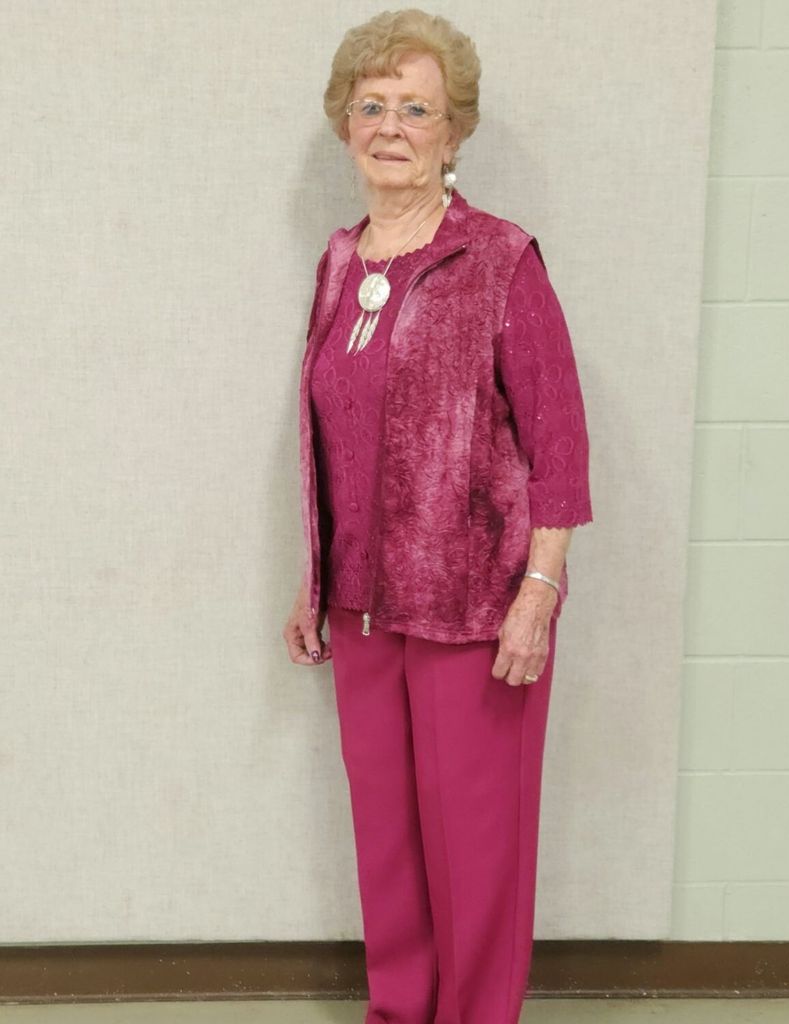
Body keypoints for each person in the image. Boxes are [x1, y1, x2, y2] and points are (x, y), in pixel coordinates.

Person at [282, 9, 593, 1023]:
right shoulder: (341, 262)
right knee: (387, 836)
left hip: (477, 607)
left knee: (474, 840)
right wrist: (315, 579)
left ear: (454, 132)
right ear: (345, 123)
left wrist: (538, 592)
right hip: (365, 606)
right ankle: (398, 1012)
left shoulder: (499, 258)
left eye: (416, 109)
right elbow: (335, 436)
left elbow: (560, 443)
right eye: (372, 105)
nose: (391, 126)